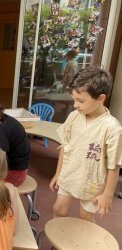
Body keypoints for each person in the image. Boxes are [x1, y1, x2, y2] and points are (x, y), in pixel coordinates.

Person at [49, 66, 122, 222]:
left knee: (85, 216)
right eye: (74, 99)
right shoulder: (74, 116)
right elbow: (65, 147)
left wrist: (108, 195)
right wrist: (58, 173)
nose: (75, 105)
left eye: (81, 101)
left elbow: (114, 165)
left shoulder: (112, 128)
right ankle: (58, 242)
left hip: (93, 182)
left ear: (101, 98)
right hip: (70, 174)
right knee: (58, 209)